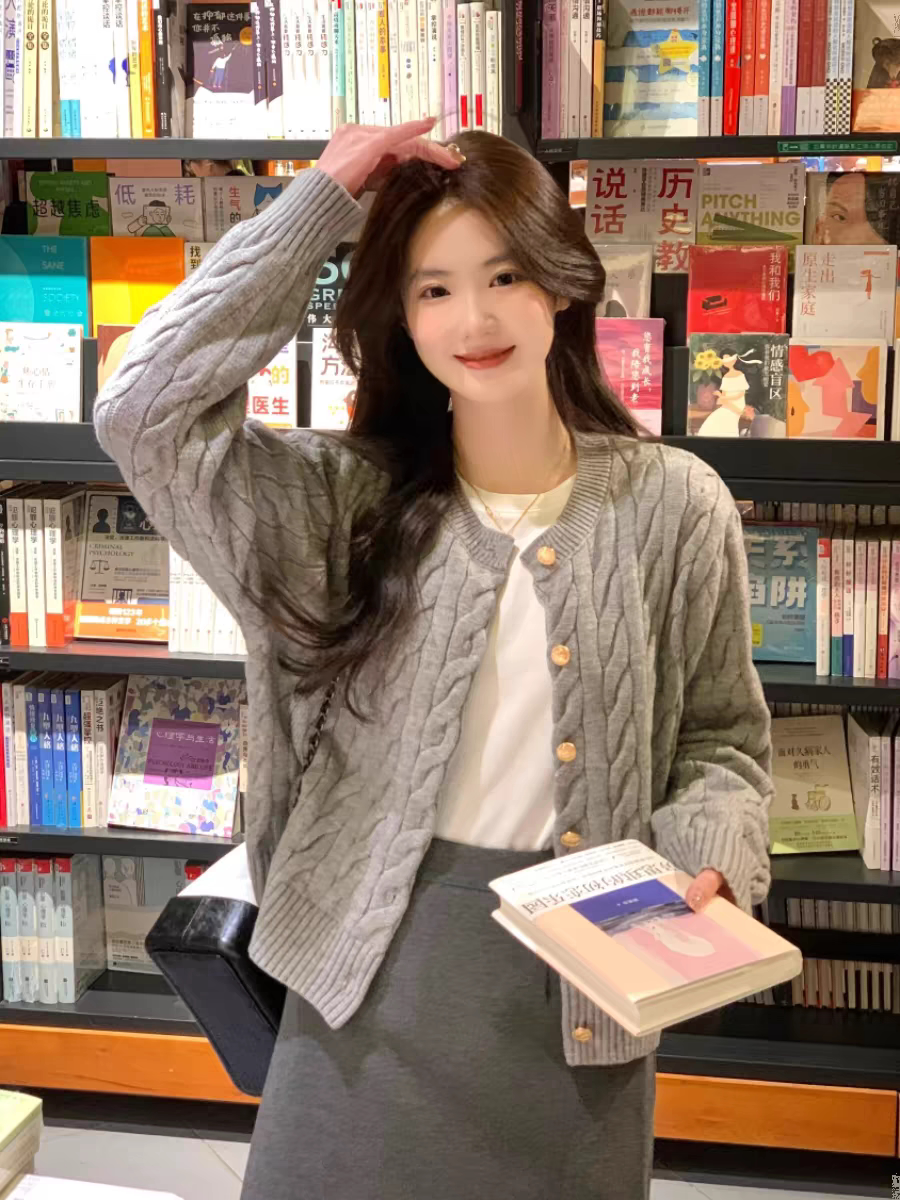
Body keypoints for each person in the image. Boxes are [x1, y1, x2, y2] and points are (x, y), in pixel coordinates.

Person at [94, 120, 772, 1200]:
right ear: (401, 319)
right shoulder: (337, 502)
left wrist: (712, 852)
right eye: (434, 290)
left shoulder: (674, 503)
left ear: (560, 285)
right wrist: (319, 201)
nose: (475, 319)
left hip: (587, 991)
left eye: (504, 275)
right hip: (366, 984)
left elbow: (721, 741)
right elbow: (142, 412)